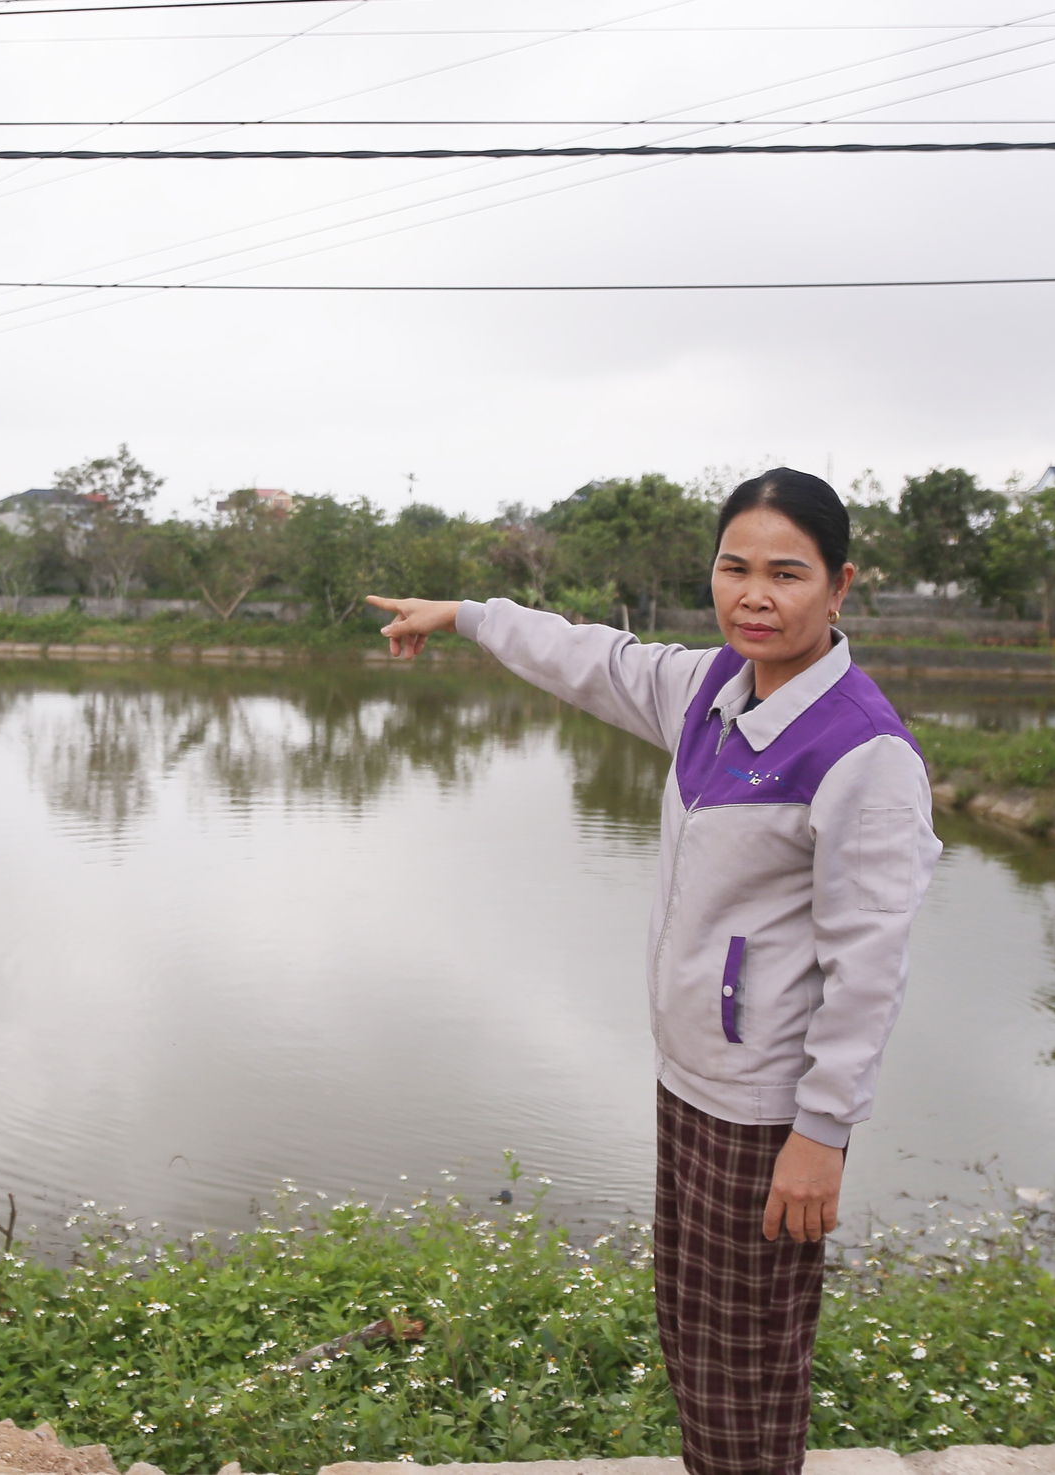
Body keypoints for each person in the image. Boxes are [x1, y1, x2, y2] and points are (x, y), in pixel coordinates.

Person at [366, 467, 941, 1475]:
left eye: (786, 573)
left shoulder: (863, 752)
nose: (753, 595)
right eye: (734, 568)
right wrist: (466, 615)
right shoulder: (713, 689)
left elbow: (869, 963)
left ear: (839, 585)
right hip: (691, 1080)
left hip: (765, 1109)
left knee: (745, 1364)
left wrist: (821, 1132)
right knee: (694, 1336)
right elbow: (594, 658)